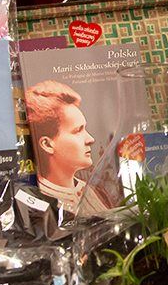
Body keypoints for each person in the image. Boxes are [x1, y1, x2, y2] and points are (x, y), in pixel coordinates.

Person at [24, 80, 108, 215]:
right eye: (78, 130)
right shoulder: (37, 203)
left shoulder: (95, 192)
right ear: (47, 144)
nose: (90, 139)